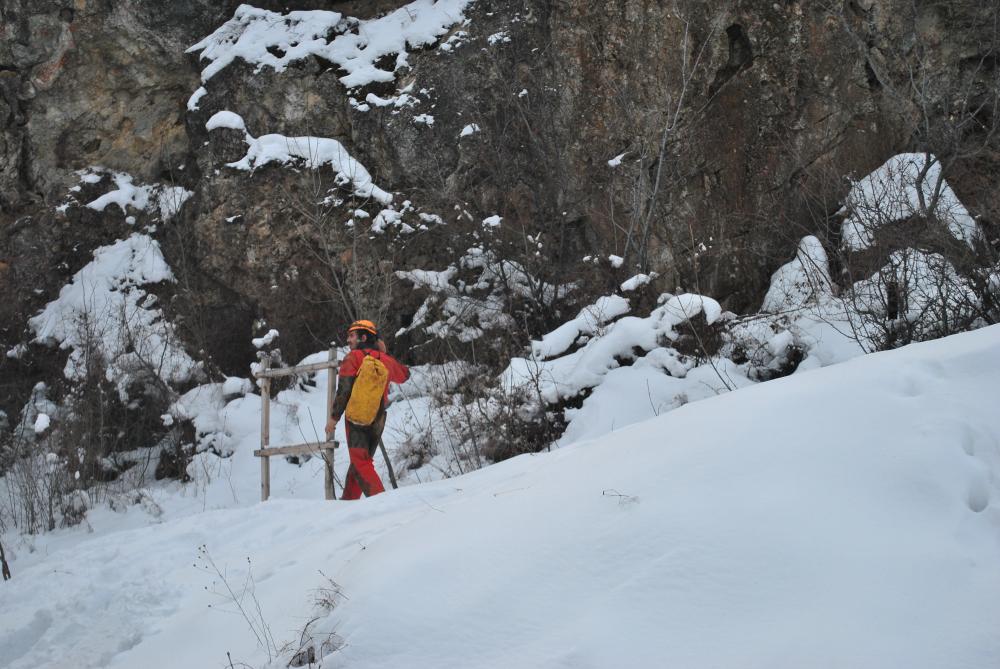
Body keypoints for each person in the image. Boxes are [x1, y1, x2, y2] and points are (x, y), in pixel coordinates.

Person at [325, 319, 409, 500]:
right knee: (360, 463)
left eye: (352, 336)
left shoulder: (353, 357)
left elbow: (344, 390)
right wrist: (383, 352)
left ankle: (383, 503)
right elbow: (404, 375)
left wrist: (333, 418)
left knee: (361, 462)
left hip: (356, 418)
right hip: (378, 419)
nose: (348, 340)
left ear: (363, 337)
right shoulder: (385, 360)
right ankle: (347, 502)